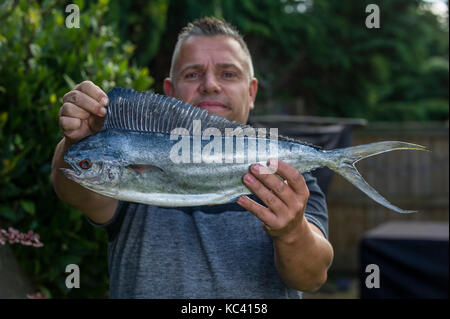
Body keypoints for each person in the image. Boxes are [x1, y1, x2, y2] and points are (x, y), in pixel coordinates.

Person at [51, 17, 333, 298]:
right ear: (170, 91)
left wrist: (292, 231)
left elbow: (313, 277)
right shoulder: (129, 153)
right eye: (193, 74)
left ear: (251, 92)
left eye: (228, 74)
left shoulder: (285, 171)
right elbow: (74, 191)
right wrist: (77, 140)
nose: (210, 85)